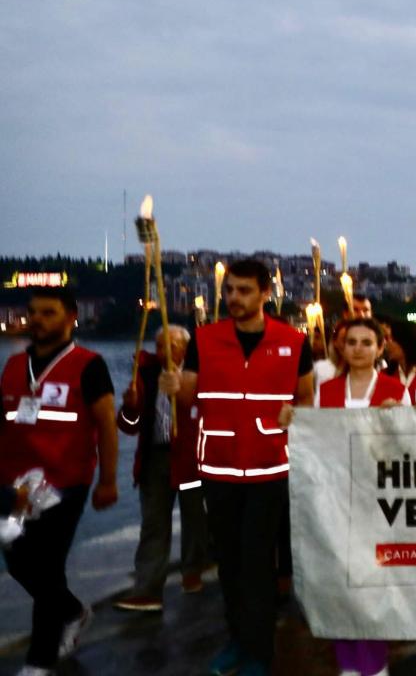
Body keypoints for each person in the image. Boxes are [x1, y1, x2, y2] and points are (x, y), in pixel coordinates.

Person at [161, 259, 313, 676]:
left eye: (244, 290)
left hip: (269, 467)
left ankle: (258, 652)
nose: (233, 298)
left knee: (257, 563)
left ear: (265, 293)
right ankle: (236, 639)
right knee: (228, 561)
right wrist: (175, 386)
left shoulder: (294, 341)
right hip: (219, 465)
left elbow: (306, 398)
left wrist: (295, 416)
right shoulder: (205, 339)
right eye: (229, 290)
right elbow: (189, 394)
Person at [1, 287, 118, 676]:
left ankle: (40, 660)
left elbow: (107, 425)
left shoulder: (89, 365)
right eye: (33, 312)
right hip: (15, 483)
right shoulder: (13, 365)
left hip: (65, 482)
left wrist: (108, 481)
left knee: (48, 564)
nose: (37, 319)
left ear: (71, 318)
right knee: (18, 561)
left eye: (48, 312)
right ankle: (72, 611)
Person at [284, 318, 405, 676]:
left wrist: (398, 420)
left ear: (380, 349)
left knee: (372, 585)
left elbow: (409, 447)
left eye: (367, 342)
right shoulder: (327, 390)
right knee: (339, 580)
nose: (358, 349)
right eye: (351, 342)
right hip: (337, 498)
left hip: (379, 500)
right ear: (341, 346)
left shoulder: (396, 390)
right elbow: (317, 439)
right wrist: (293, 420)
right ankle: (348, 661)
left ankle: (374, 662)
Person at [113, 325, 210, 612]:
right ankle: (148, 589)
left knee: (194, 518)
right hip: (155, 459)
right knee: (154, 523)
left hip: (191, 460)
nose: (163, 351)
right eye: (158, 345)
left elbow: (208, 412)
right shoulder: (144, 375)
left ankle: (192, 571)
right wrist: (130, 408)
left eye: (171, 345)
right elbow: (129, 427)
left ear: (185, 349)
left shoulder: (199, 375)